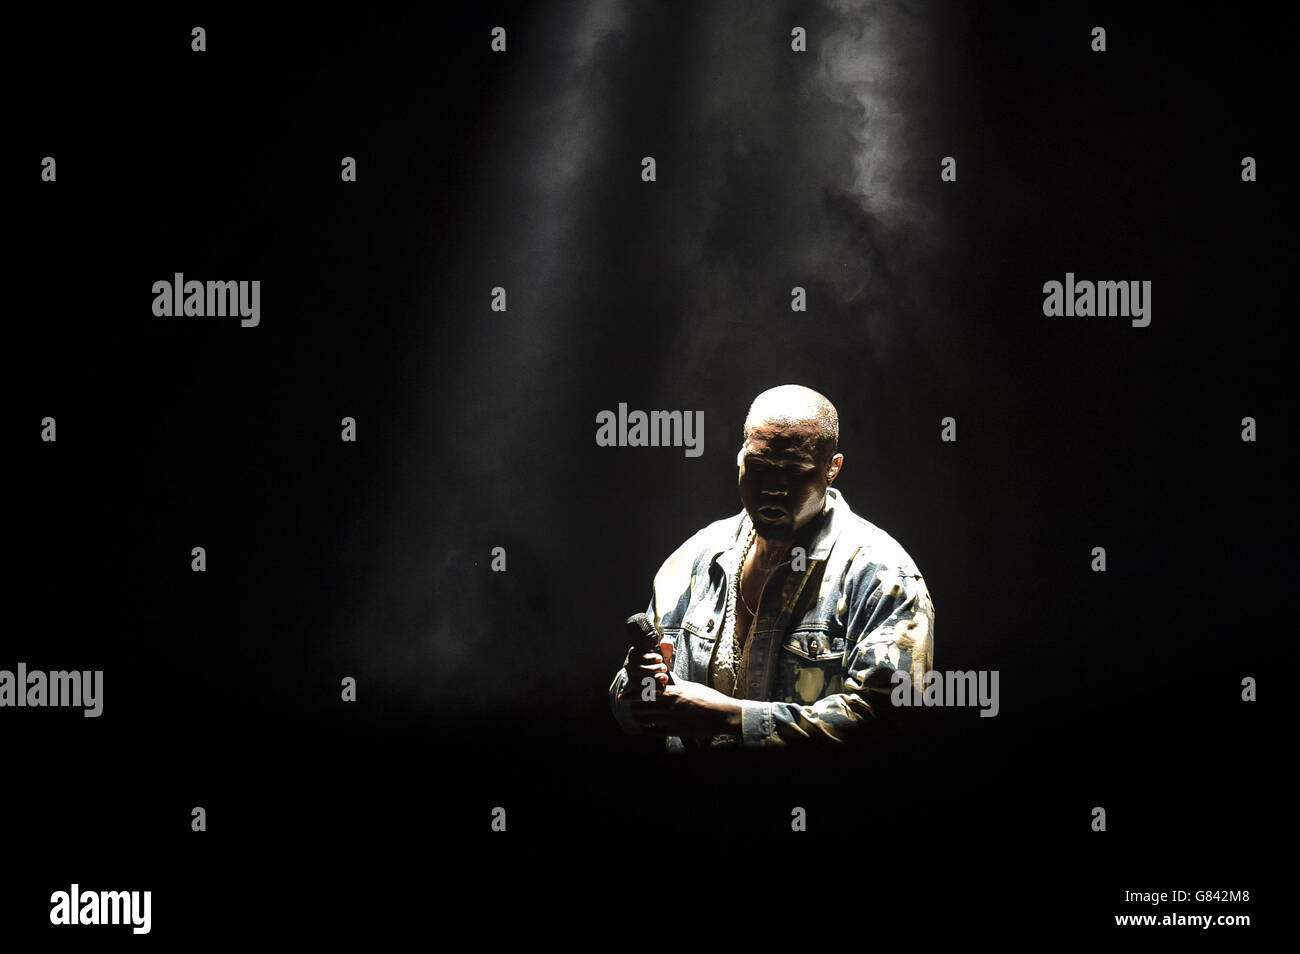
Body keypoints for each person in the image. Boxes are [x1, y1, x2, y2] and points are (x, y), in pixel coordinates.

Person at [609, 385, 935, 748]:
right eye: (759, 466)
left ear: (832, 469)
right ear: (740, 458)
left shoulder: (882, 576)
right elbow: (627, 709)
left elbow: (893, 723)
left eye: (795, 472)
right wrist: (641, 689)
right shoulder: (693, 560)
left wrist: (730, 717)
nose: (773, 487)